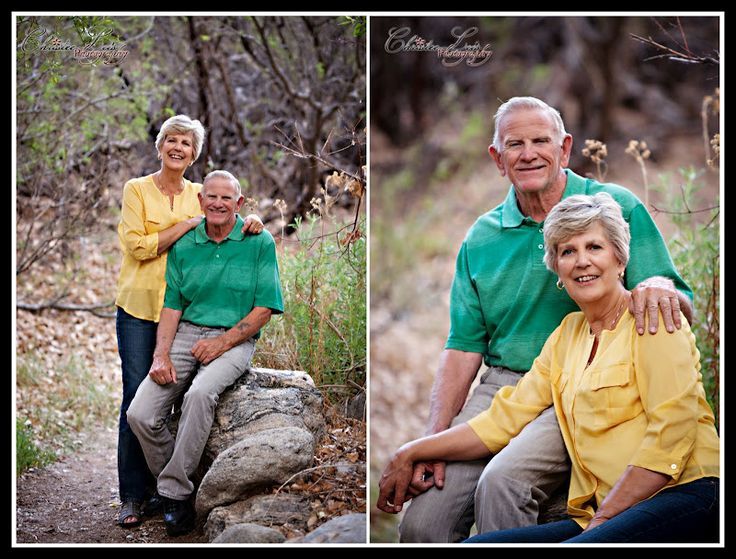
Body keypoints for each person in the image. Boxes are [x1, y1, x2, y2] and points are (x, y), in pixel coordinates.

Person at [395, 97, 694, 542]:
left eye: (541, 140)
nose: (529, 153)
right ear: (498, 159)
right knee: (424, 522)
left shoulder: (611, 207)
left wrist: (658, 285)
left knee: (502, 484)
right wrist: (431, 441)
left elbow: (668, 291)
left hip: (581, 379)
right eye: (515, 144)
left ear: (565, 148)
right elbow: (462, 347)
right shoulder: (481, 237)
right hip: (504, 383)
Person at [115, 115, 263, 528]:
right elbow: (138, 246)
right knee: (137, 397)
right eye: (171, 140)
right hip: (144, 309)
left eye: (186, 143)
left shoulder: (203, 192)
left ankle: (170, 490)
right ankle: (133, 494)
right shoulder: (138, 190)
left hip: (186, 311)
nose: (178, 147)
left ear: (194, 153)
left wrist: (256, 222)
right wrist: (185, 226)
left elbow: (231, 210)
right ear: (160, 145)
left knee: (186, 396)